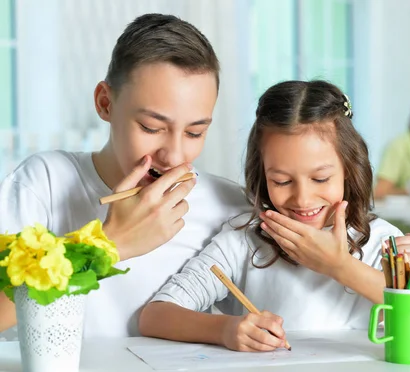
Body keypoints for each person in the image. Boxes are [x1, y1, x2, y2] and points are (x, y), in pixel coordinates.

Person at [138, 80, 410, 352]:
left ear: (350, 170)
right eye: (282, 181)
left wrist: (339, 265)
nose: (302, 198)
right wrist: (224, 330)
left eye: (320, 179)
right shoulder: (244, 238)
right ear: (262, 176)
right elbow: (155, 315)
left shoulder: (384, 242)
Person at [0, 14, 250, 337]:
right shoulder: (43, 183)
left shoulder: (227, 207)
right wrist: (109, 245)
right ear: (105, 103)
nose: (173, 156)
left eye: (194, 132)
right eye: (151, 127)